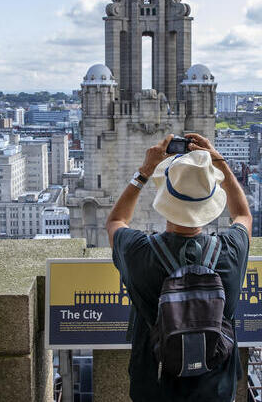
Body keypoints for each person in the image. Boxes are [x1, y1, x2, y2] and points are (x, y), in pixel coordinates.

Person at [106, 133, 252, 402]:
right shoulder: (230, 249)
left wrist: (145, 171)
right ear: (209, 203)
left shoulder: (140, 251)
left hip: (155, 383)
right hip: (216, 387)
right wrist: (220, 164)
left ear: (165, 198)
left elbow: (116, 221)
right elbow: (243, 215)